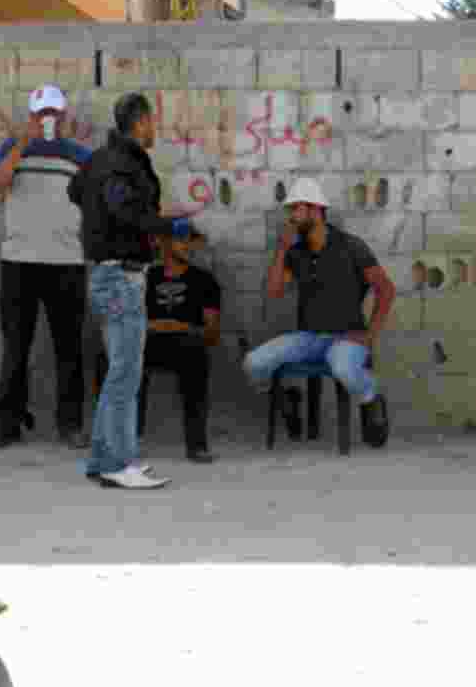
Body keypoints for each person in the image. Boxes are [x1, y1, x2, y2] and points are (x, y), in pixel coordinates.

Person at [68, 92, 204, 489]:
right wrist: (169, 227)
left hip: (110, 273)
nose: (154, 129)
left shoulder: (99, 160)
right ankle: (117, 462)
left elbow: (75, 191)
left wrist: (101, 223)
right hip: (120, 276)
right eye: (152, 122)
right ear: (141, 122)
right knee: (126, 373)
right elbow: (123, 210)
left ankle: (102, 458)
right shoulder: (123, 163)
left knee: (120, 372)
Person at [242, 177, 395, 447]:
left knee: (344, 369)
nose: (291, 216)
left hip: (347, 337)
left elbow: (386, 290)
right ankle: (286, 401)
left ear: (315, 210)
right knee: (254, 363)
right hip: (309, 337)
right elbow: (274, 292)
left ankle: (370, 394)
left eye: (296, 209)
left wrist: (370, 336)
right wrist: (282, 249)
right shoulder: (296, 251)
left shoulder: (351, 246)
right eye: (290, 210)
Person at [0, 84, 92, 450]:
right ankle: (5, 424)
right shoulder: (13, 148)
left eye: (54, 114)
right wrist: (20, 145)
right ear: (32, 117)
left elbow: (96, 200)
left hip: (68, 263)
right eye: (42, 114)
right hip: (19, 264)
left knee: (70, 349)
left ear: (64, 117)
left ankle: (71, 425)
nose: (49, 120)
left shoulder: (79, 155)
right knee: (15, 348)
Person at [96, 229, 222, 463]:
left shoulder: (204, 280)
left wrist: (180, 327)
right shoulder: (144, 277)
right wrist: (153, 325)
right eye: (180, 239)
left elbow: (212, 334)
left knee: (196, 354)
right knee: (110, 355)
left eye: (189, 240)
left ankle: (197, 444)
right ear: (163, 243)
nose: (186, 245)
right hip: (146, 340)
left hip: (185, 343)